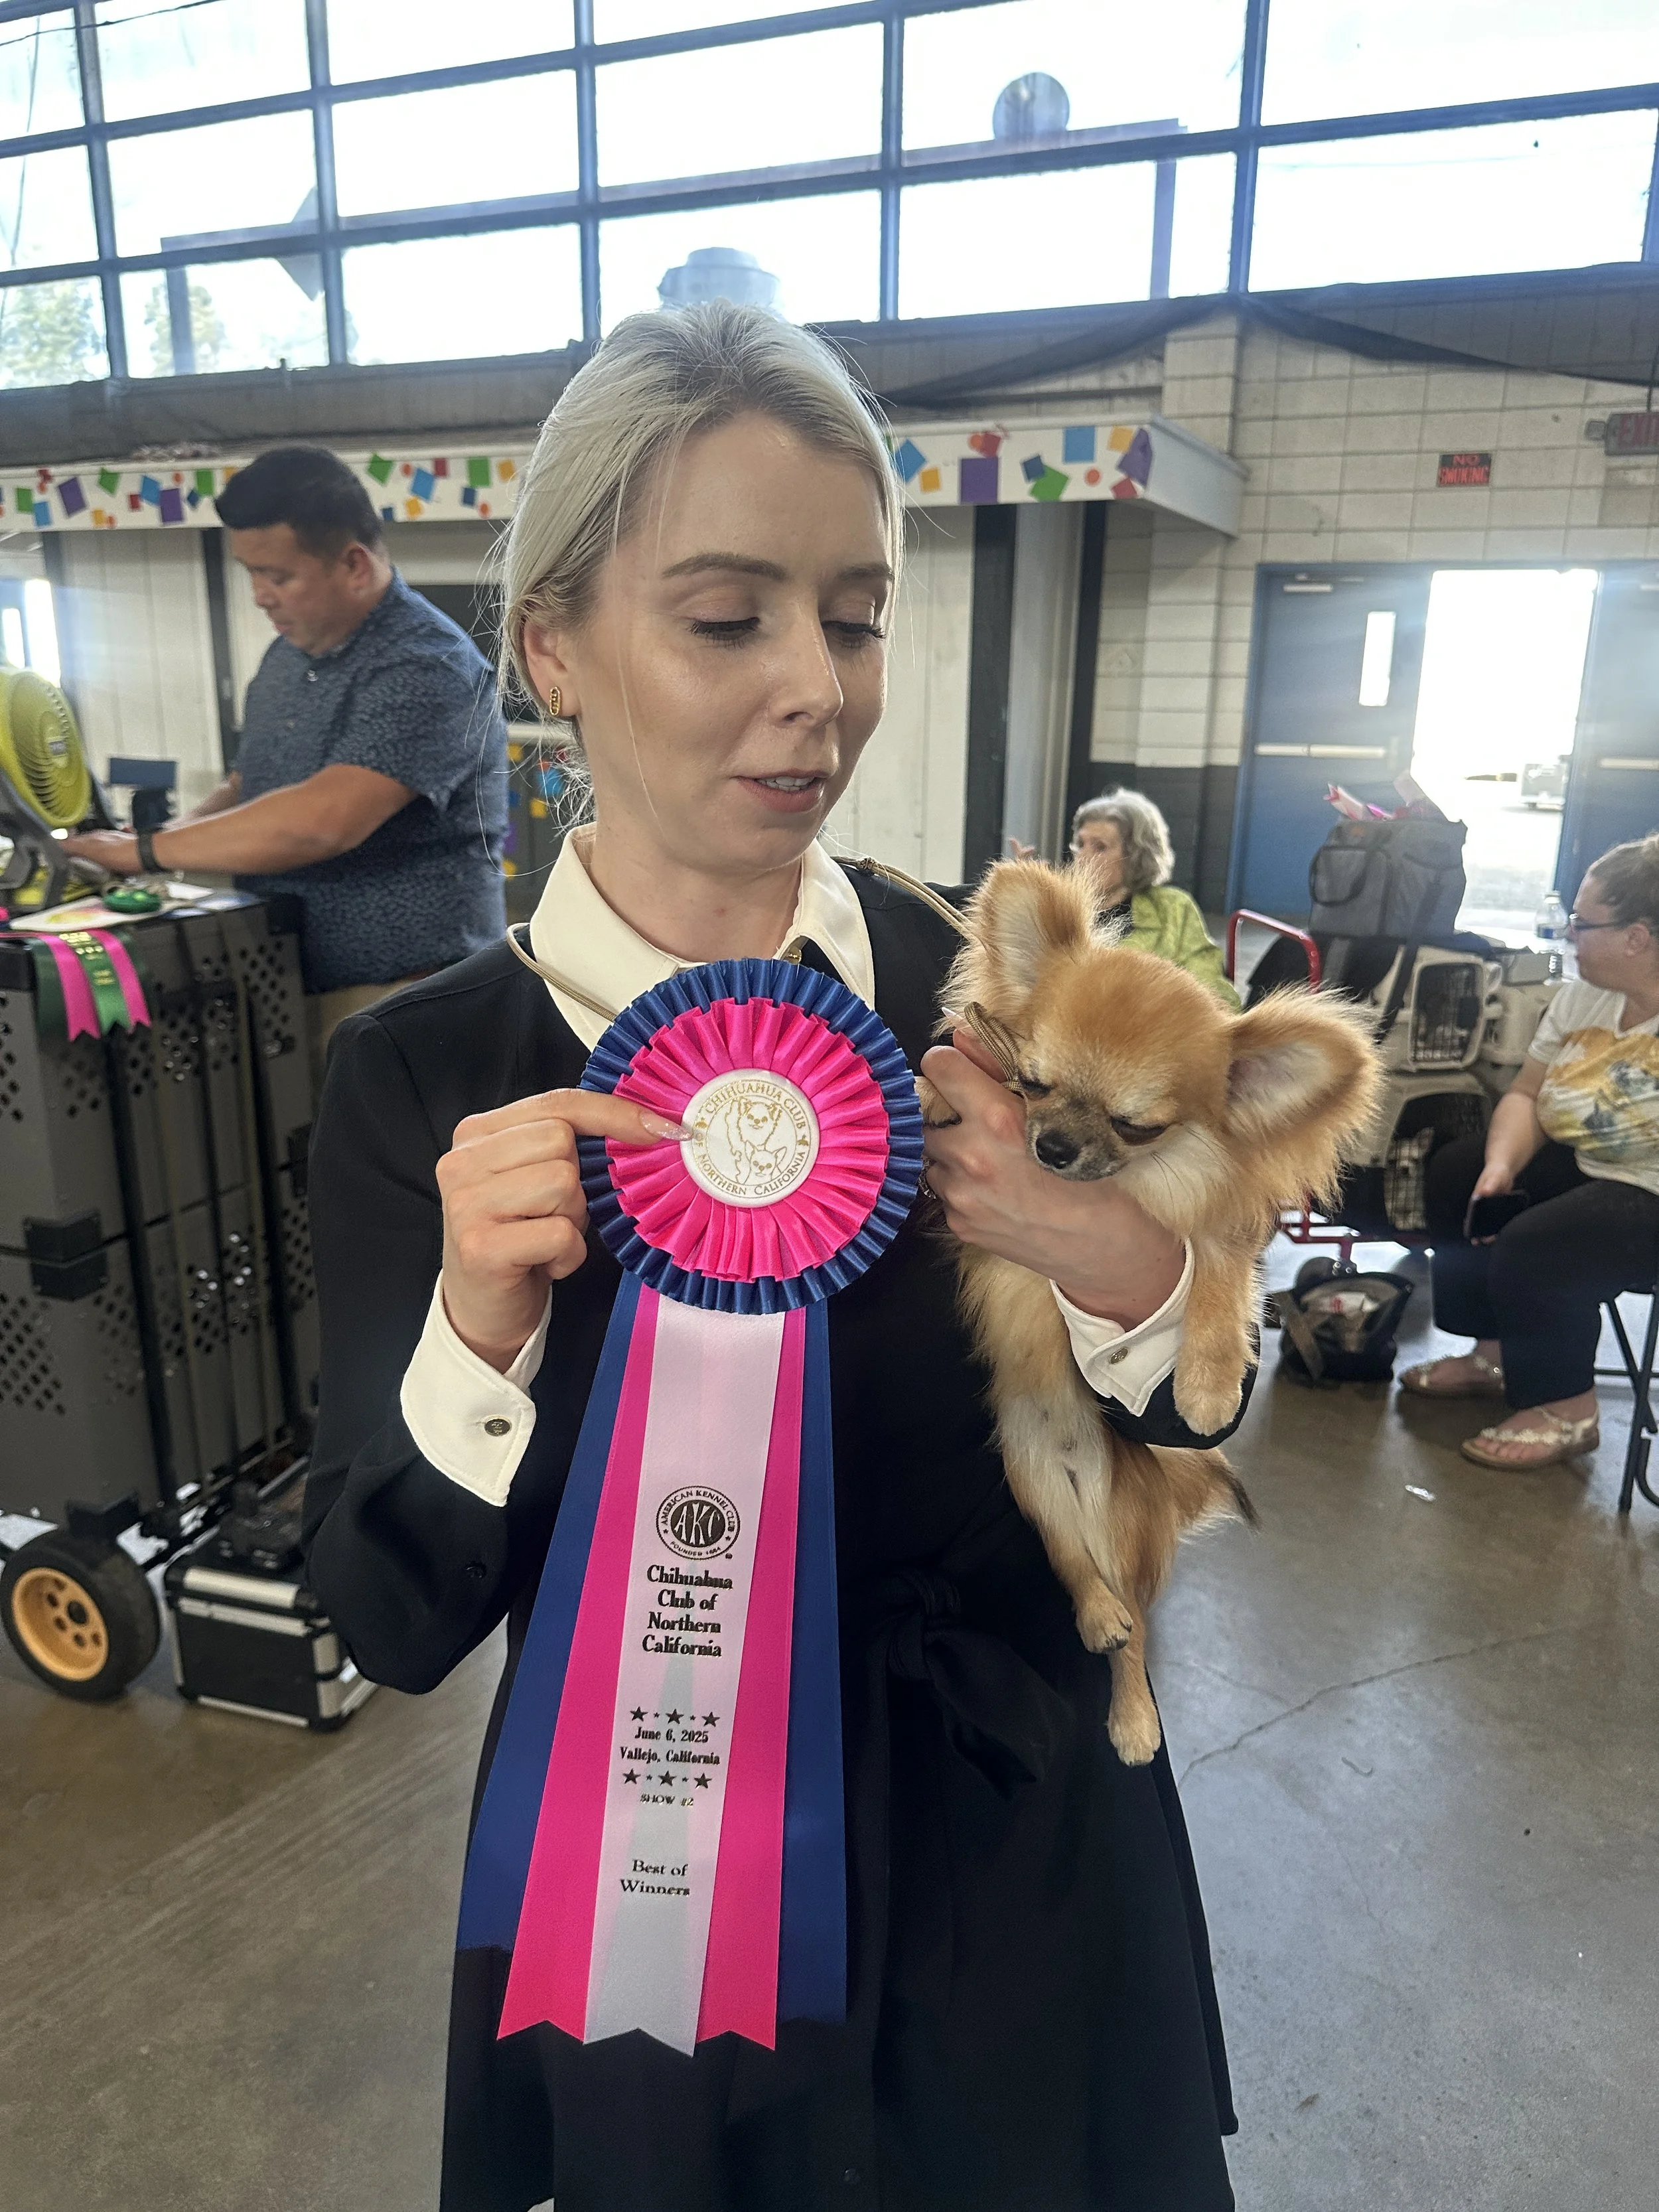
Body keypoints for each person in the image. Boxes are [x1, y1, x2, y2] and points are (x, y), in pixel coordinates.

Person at [301, 304, 1250, 2212]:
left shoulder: (988, 995)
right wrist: (477, 1328)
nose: (820, 687)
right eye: (729, 617)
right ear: (552, 644)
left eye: (857, 610)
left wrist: (1127, 1273)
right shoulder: (429, 1077)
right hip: (647, 1893)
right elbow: (391, 1622)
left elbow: (1215, 1413)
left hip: (1017, 1842)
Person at [64, 444, 508, 1084]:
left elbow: (326, 819)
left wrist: (143, 850)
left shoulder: (426, 664)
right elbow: (251, 785)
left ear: (354, 564)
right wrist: (168, 850)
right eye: (250, 573)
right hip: (285, 983)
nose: (259, 597)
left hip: (403, 998)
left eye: (277, 576)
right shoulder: (286, 658)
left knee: (404, 1179)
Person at [1402, 833, 1659, 1469]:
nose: (1569, 934)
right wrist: (1501, 1165)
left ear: (1638, 935)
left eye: (1583, 923)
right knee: (1460, 1172)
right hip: (1590, 1161)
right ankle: (1495, 1351)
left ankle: (1565, 1406)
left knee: (1543, 1241)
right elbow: (1525, 1093)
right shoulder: (1585, 993)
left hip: (1650, 1188)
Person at [1068, 792, 1240, 1007]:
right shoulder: (1060, 905)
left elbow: (1214, 994)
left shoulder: (1174, 909)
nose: (1082, 858)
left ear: (1135, 856)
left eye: (1100, 847)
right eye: (1080, 844)